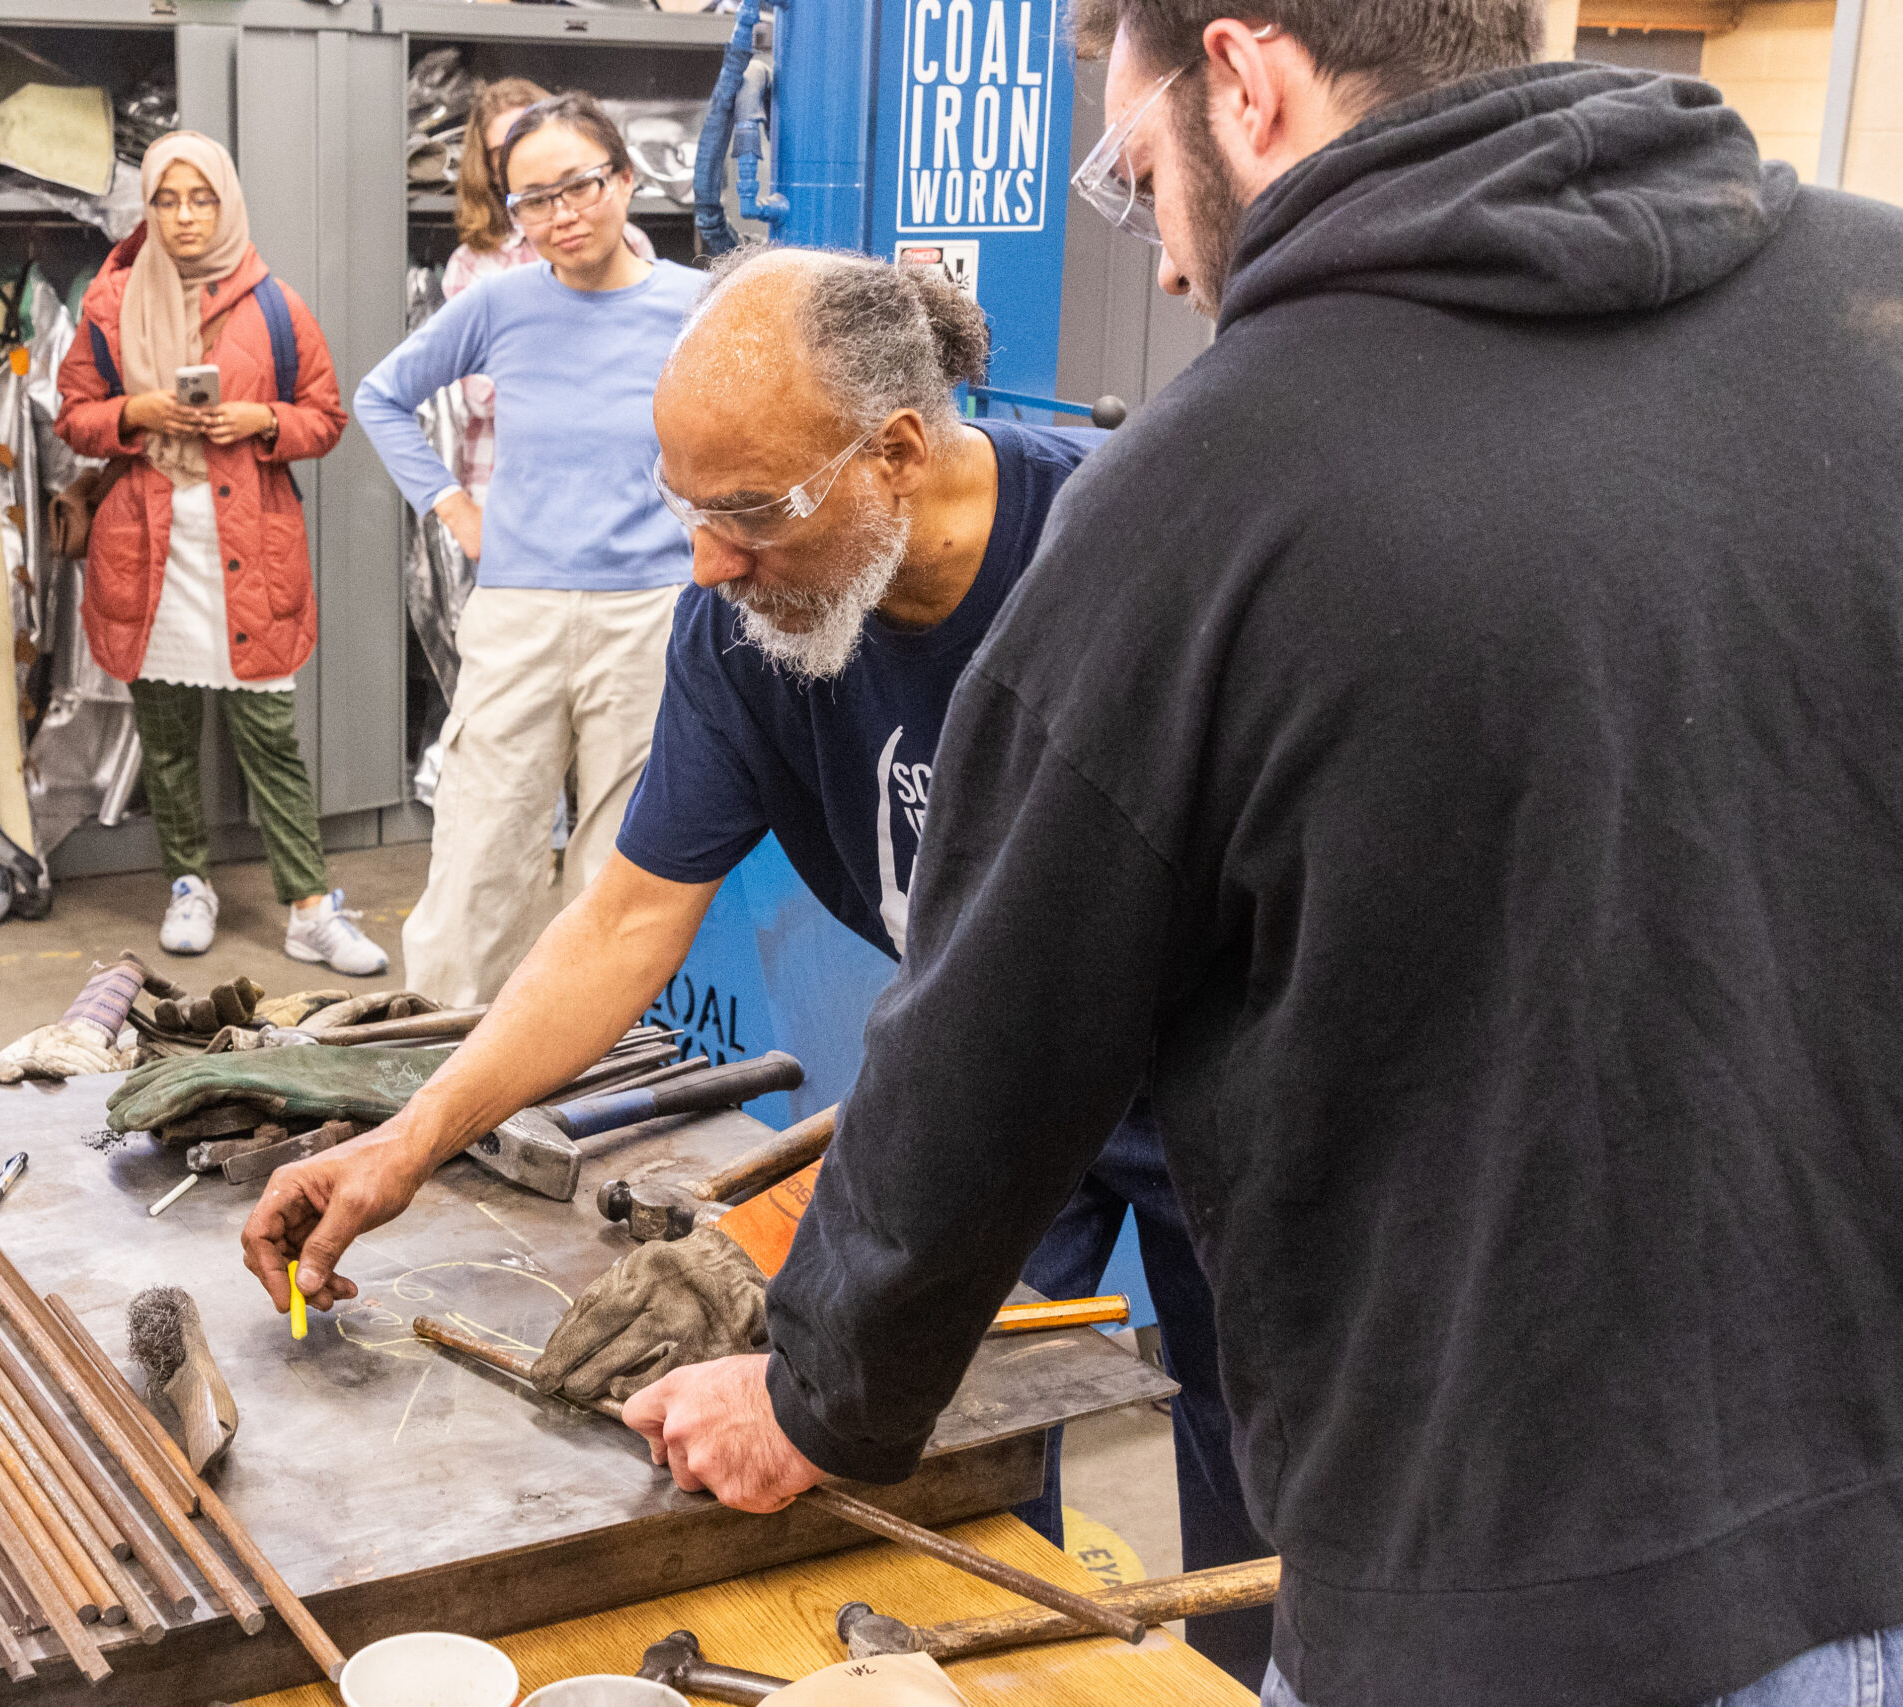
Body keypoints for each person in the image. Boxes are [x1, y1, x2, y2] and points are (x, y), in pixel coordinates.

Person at [612, 6, 1903, 1706]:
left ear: (1248, 79)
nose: (1160, 270)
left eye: (1141, 177)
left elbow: (990, 1050)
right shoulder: (1875, 317)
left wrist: (811, 1396)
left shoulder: (1200, 493)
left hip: (1492, 1597)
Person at [248, 245, 1270, 1680]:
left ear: (897, 452)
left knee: (1260, 1501)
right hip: (991, 1089)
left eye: (749, 513)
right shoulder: (741, 634)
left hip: (1236, 1105)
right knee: (929, 1452)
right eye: (686, 508)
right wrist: (405, 1137)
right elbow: (621, 921)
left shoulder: (1122, 557)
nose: (709, 561)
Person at [358, 93, 704, 1006]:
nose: (561, 215)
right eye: (533, 200)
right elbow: (379, 397)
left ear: (624, 180)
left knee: (619, 867)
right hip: (518, 613)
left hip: (653, 615)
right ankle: (442, 1073)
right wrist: (452, 507)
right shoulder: (500, 302)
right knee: (480, 852)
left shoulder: (698, 306)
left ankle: (587, 1070)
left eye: (579, 186)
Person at [52, 132, 383, 978]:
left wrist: (262, 422)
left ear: (227, 203)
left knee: (269, 736)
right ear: (149, 208)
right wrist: (139, 412)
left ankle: (310, 908)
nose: (186, 216)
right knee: (166, 739)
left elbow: (327, 417)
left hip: (251, 553)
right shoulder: (110, 300)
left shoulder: (275, 303)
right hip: (147, 551)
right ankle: (188, 884)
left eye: (201, 198)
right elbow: (75, 416)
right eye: (168, 199)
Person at [439, 77, 654, 501]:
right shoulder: (473, 265)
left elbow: (644, 376)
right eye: (502, 153)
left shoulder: (628, 242)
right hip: (513, 495)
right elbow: (483, 395)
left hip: (617, 492)